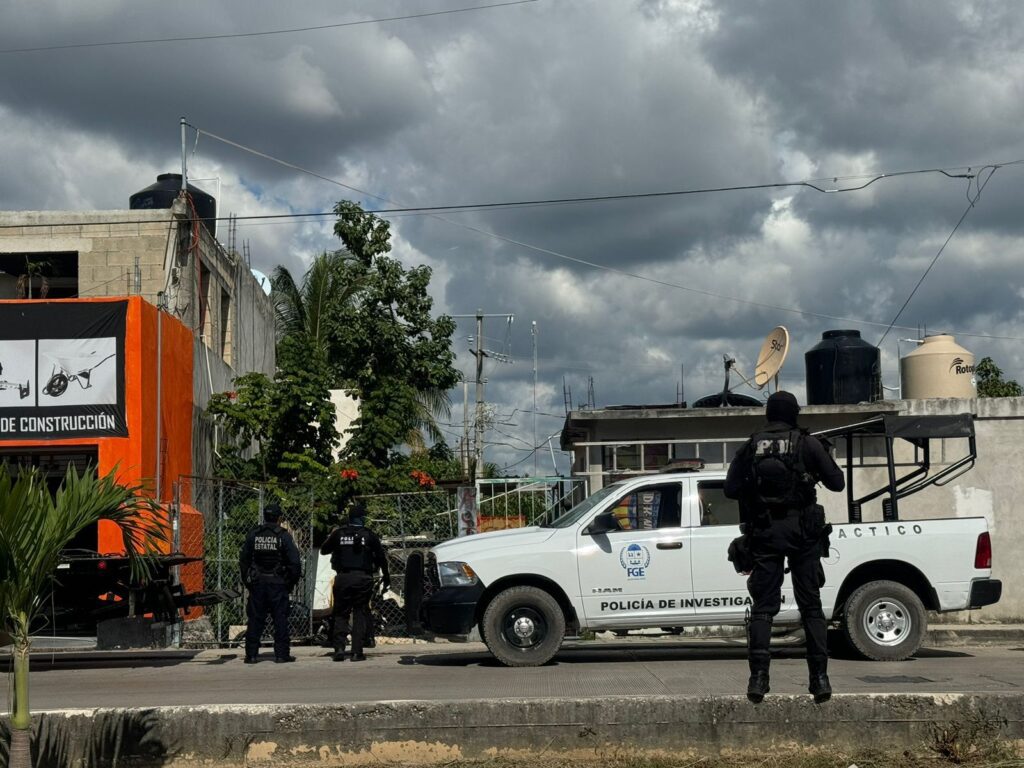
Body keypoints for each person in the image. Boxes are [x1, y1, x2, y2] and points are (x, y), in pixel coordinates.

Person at [724, 390, 844, 704]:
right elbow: (837, 483)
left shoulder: (752, 445)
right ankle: (819, 679)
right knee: (811, 607)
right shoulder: (807, 443)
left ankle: (758, 679)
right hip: (803, 533)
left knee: (763, 609)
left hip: (765, 531)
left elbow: (731, 488)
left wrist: (757, 487)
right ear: (794, 414)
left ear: (768, 414)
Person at [320, 501, 390, 662]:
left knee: (341, 613)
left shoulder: (339, 533)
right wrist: (386, 576)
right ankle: (357, 652)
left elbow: (324, 550)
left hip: (343, 578)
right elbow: (381, 557)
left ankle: (338, 648)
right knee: (359, 613)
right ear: (362, 517)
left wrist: (338, 541)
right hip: (363, 578)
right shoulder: (369, 534)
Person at [239, 503, 302, 664]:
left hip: (258, 583)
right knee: (280, 619)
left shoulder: (254, 534)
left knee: (255, 619)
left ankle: (251, 655)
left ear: (265, 516)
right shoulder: (283, 536)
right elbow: (294, 563)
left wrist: (248, 582)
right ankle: (281, 655)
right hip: (278, 583)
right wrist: (290, 583)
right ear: (279, 518)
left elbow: (244, 560)